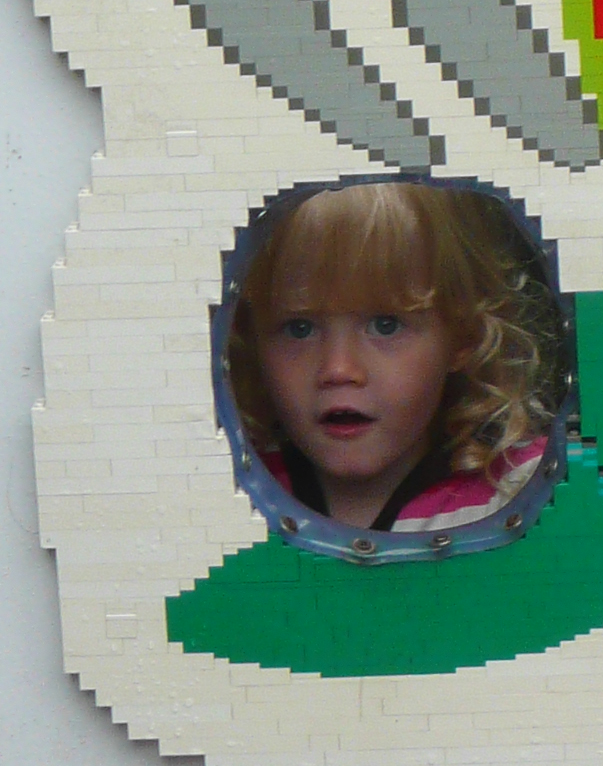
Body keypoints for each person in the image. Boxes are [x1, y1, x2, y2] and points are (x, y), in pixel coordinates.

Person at [226, 181, 565, 539]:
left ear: (464, 336)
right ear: (252, 340)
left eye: (385, 325)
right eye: (299, 328)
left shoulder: (526, 487)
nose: (338, 369)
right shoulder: (226, 489)